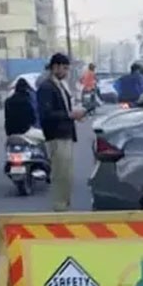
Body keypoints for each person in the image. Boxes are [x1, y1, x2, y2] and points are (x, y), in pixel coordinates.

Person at [37, 53, 86, 211]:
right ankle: (59, 208)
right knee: (60, 174)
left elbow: (65, 109)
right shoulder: (46, 87)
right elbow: (46, 114)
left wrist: (74, 116)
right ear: (55, 67)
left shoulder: (60, 86)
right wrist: (70, 115)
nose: (66, 72)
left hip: (66, 134)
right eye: (64, 68)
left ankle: (64, 205)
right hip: (56, 136)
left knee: (67, 175)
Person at [4, 78, 44, 142]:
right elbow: (32, 117)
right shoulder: (28, 100)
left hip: (10, 132)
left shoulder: (8, 101)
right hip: (26, 130)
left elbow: (6, 117)